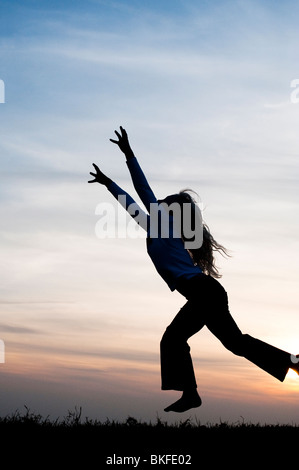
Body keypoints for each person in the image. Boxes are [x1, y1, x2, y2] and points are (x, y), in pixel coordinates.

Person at [88, 126, 299, 413]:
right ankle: (293, 362)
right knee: (235, 344)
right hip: (207, 293)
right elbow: (130, 203)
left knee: (173, 339)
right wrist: (108, 183)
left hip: (203, 292)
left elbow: (142, 190)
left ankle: (191, 395)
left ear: (172, 211)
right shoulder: (153, 227)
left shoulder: (164, 223)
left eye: (166, 201)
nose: (160, 201)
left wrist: (128, 155)